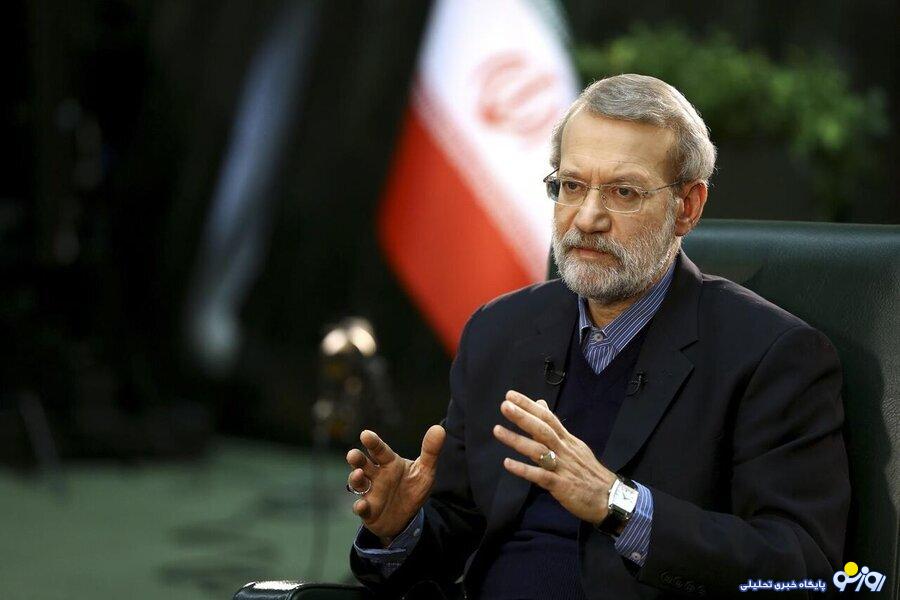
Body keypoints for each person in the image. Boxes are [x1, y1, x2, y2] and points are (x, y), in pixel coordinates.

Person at [345, 74, 850, 599]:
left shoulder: (772, 355)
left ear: (688, 207)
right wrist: (402, 528)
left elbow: (803, 567)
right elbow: (458, 528)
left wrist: (618, 503)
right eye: (571, 185)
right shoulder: (499, 330)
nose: (587, 219)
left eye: (623, 192)